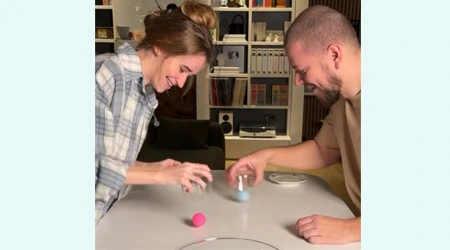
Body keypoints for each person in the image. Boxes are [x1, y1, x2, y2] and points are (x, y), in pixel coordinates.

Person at [226, 5, 361, 245]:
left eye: (303, 70)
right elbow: (322, 151)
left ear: (334, 55)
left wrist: (351, 229)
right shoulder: (342, 99)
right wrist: (264, 156)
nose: (299, 81)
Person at [95, 0, 218, 225]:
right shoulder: (104, 76)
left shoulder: (142, 90)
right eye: (183, 70)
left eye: (189, 76)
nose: (181, 83)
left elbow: (109, 162)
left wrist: (152, 167)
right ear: (161, 45)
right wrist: (159, 176)